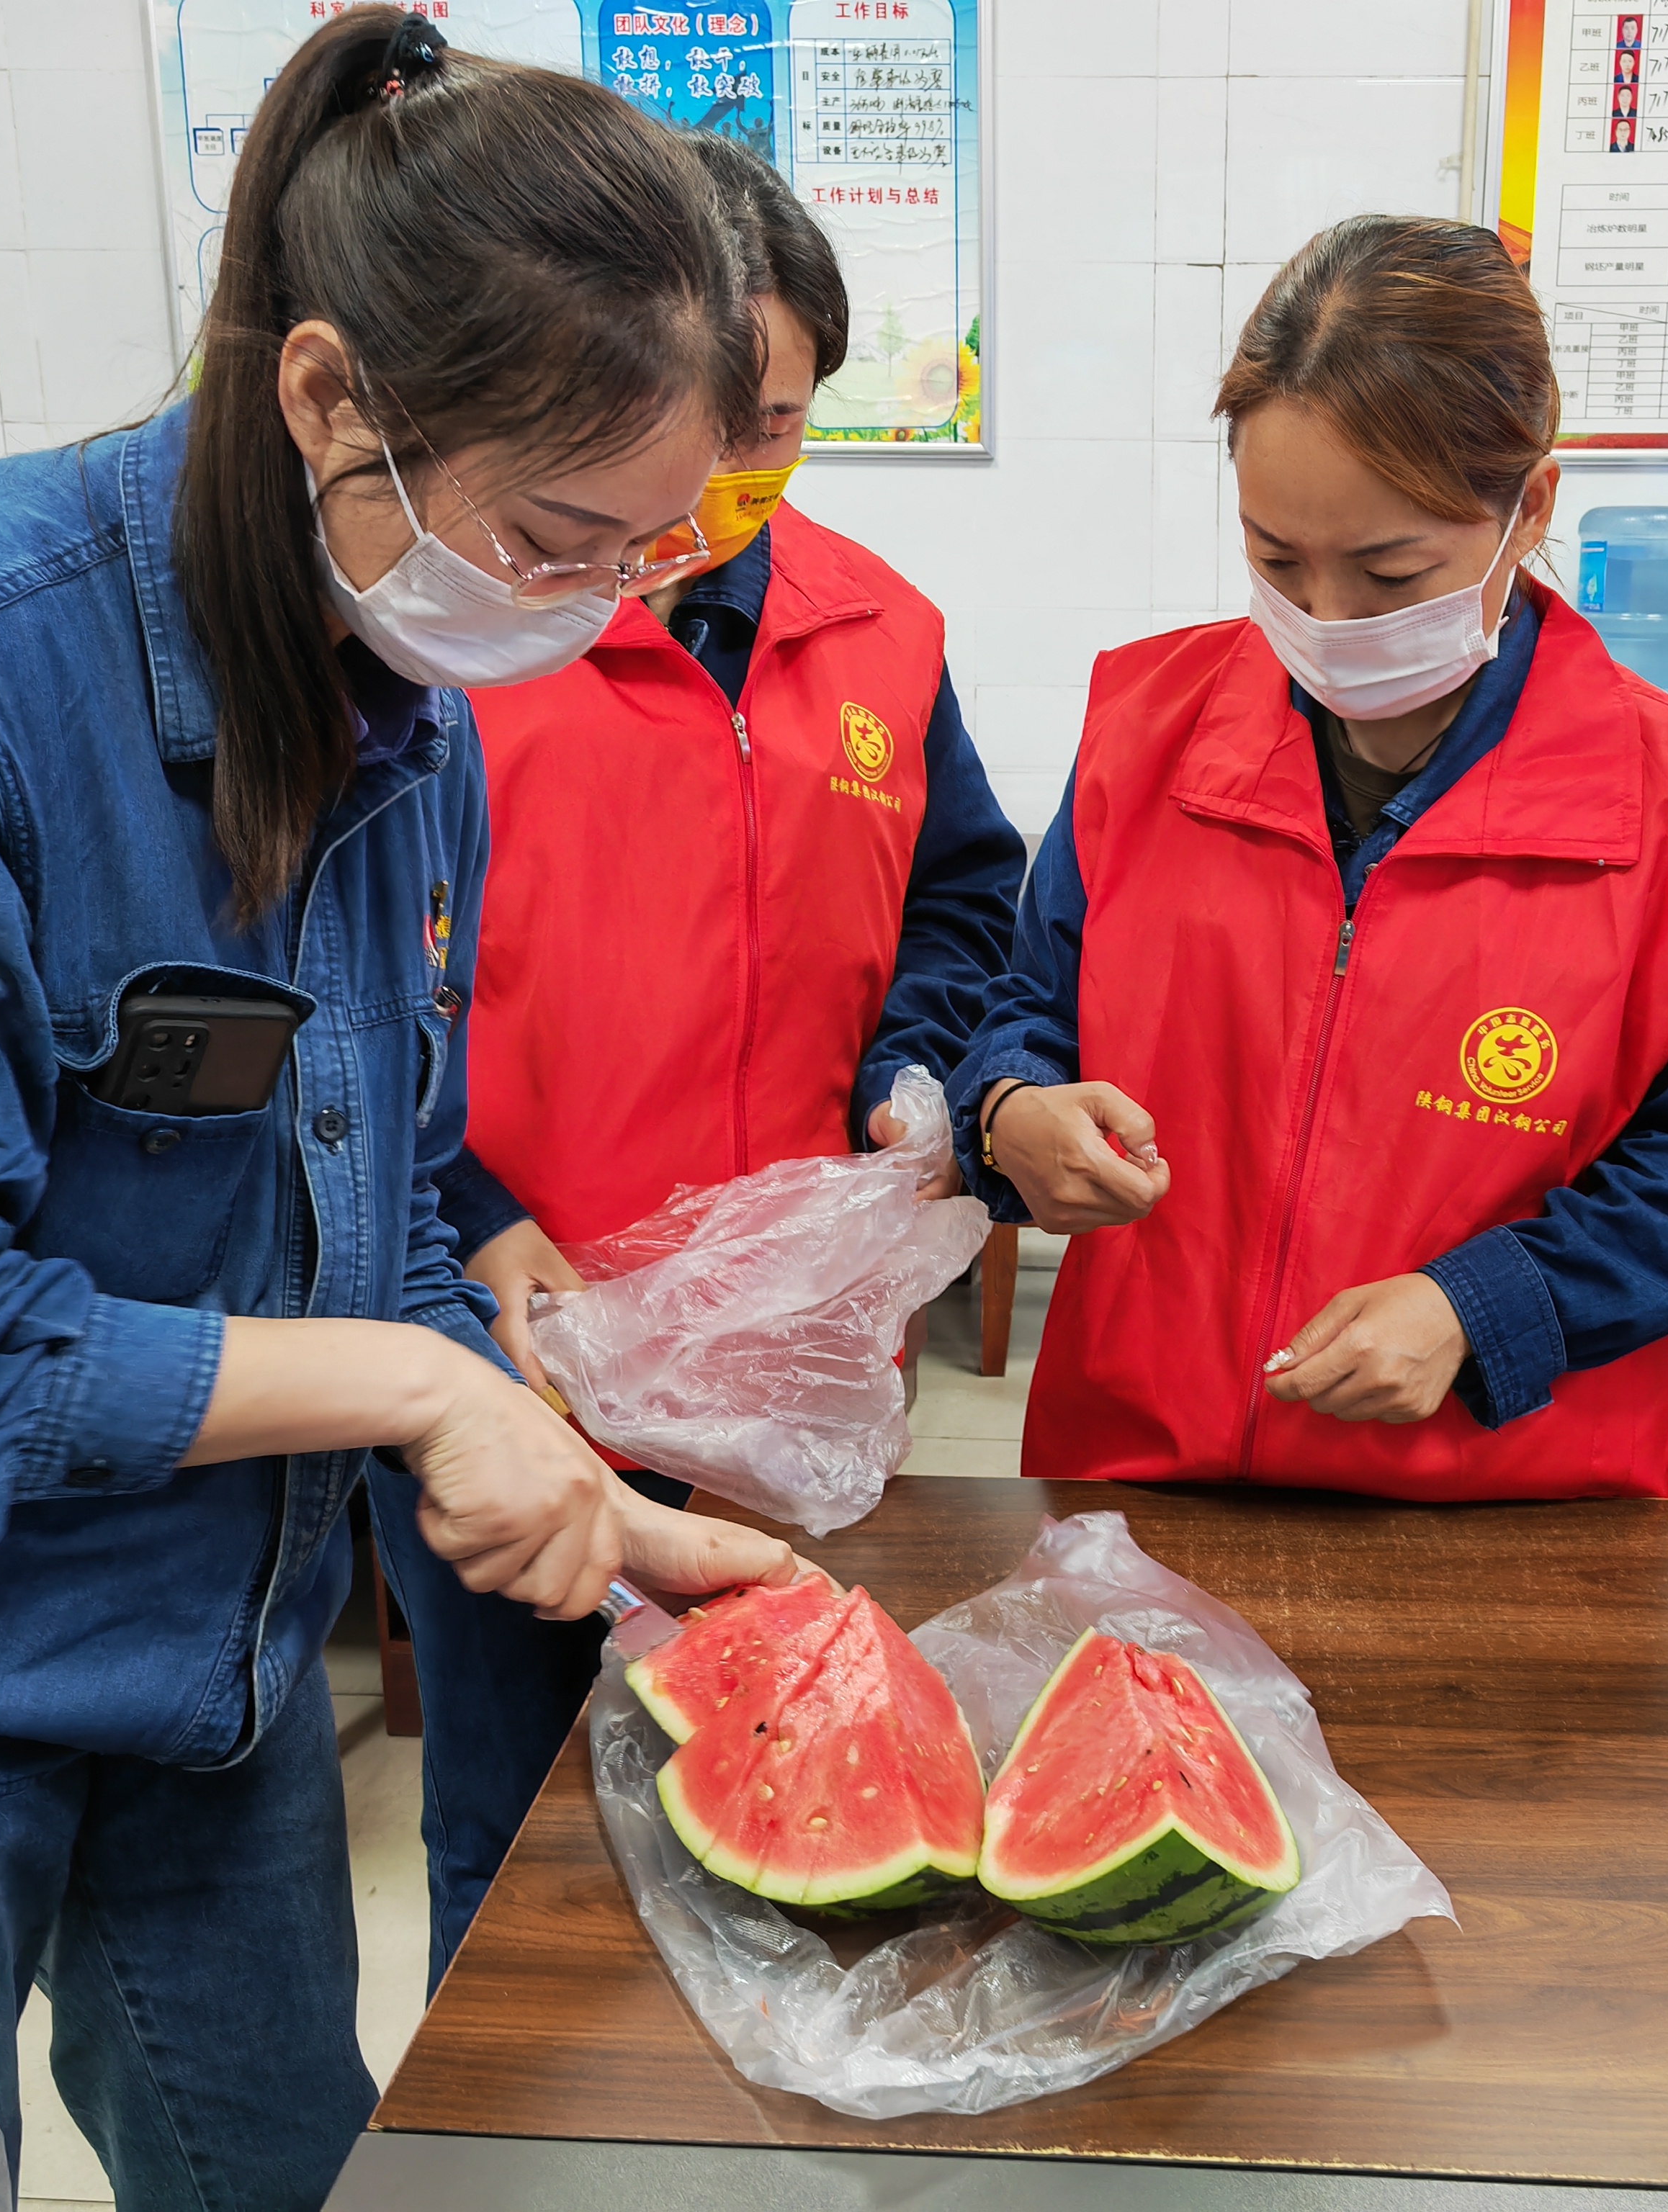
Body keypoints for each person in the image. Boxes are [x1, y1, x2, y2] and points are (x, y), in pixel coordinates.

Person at [0, 15, 809, 2207]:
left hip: (203, 1659)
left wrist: (540, 1448)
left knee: (289, 2170)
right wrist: (400, 1387)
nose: (589, 609)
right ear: (328, 395)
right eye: (558, 533)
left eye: (647, 555)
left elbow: (362, 1206)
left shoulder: (407, 714)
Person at [375, 130, 1023, 1984]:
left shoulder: (879, 632)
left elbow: (965, 901)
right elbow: (333, 992)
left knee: (796, 1770)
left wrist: (911, 1074)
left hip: (797, 1362)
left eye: (777, 424)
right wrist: (467, 1206)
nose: (714, 472)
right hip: (510, 1349)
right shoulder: (452, 635)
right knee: (519, 1829)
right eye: (686, 414)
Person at [946, 215, 1668, 1501]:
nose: (1325, 620)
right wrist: (1011, 1107)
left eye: (1390, 570)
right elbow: (1031, 1004)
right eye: (1275, 559)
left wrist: (1485, 1303)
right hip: (1144, 1465)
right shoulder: (1149, 735)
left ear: (1527, 506)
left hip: (1506, 1502)